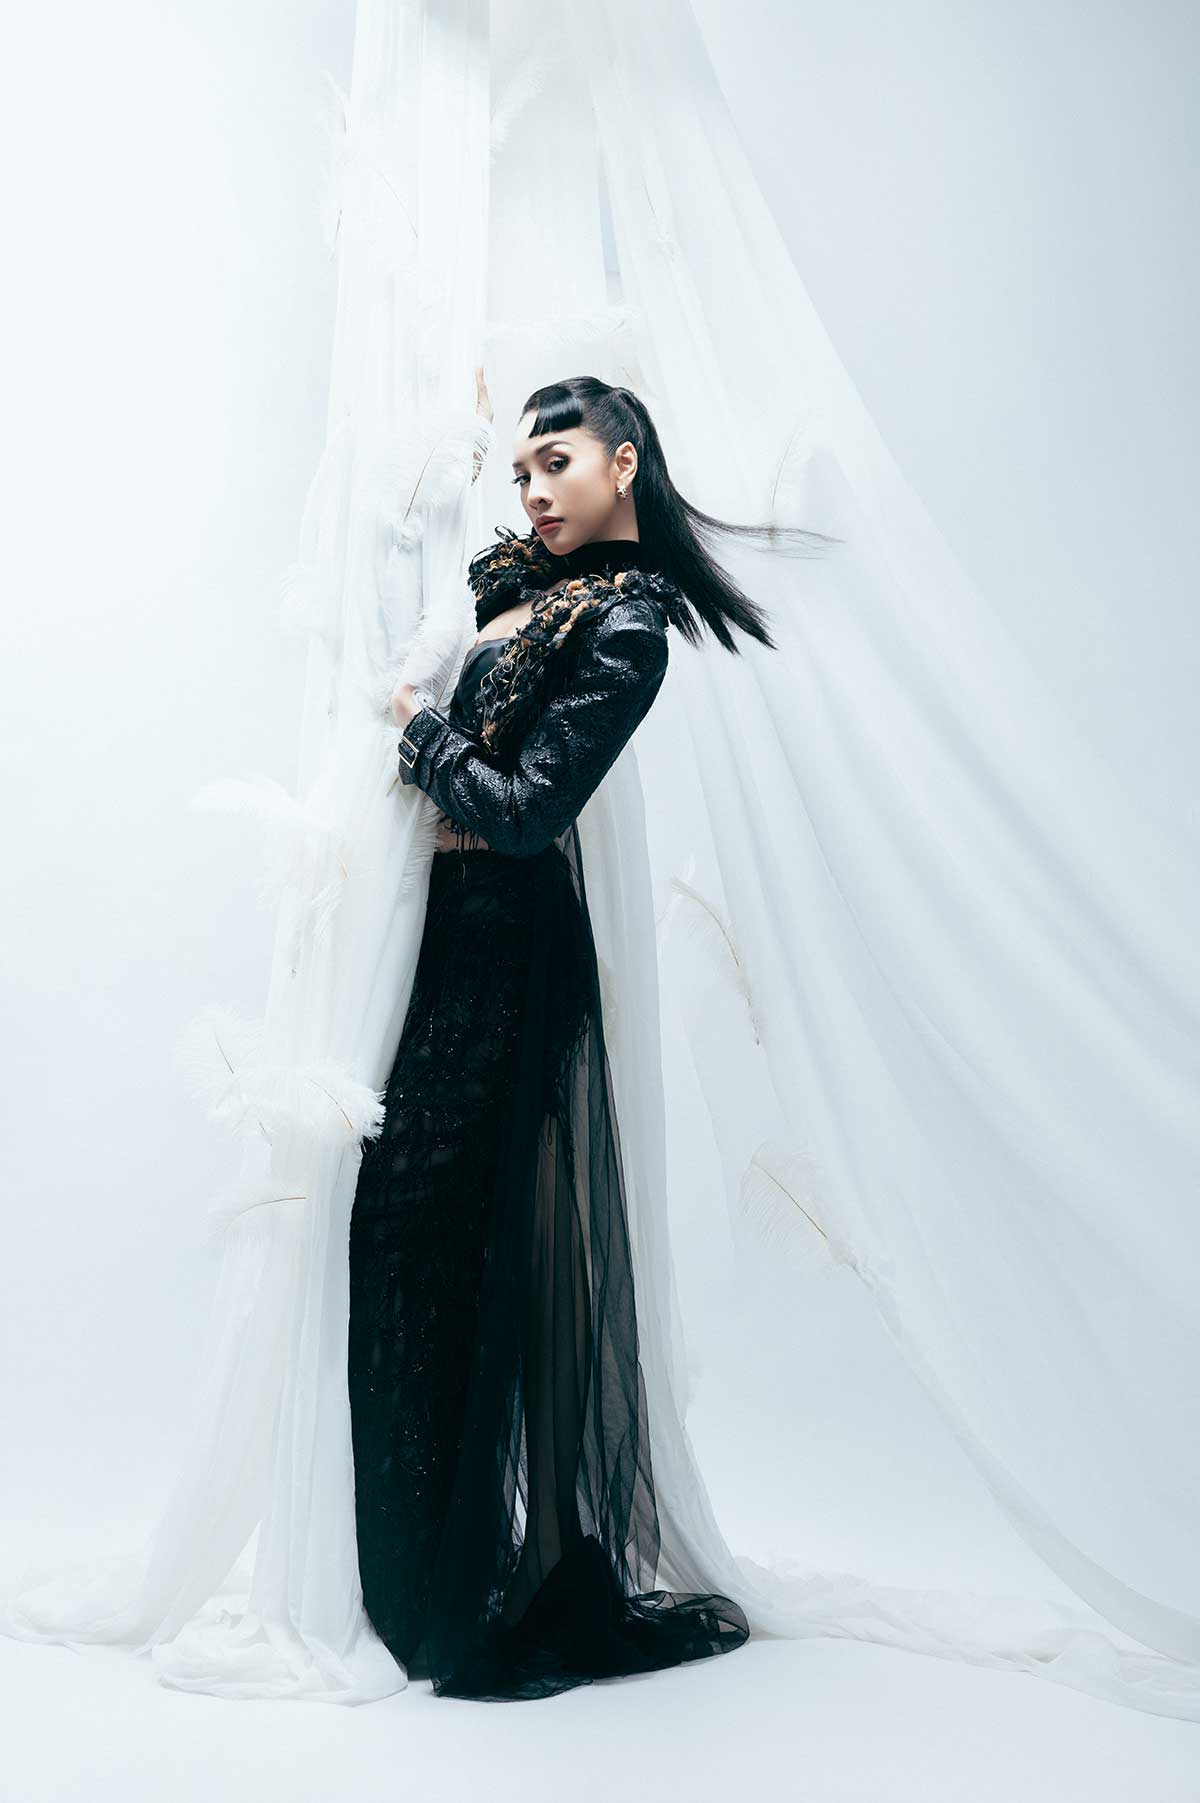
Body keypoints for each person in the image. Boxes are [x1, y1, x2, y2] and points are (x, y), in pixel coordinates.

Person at [345, 373, 827, 1702]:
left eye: (556, 462)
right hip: (442, 937)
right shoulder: (522, 588)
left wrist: (419, 732)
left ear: (624, 464)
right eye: (522, 473)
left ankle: (457, 1587)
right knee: (404, 1236)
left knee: (447, 1240)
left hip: (508, 951)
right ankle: (406, 1578)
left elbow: (521, 809)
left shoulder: (627, 623)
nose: (535, 491)